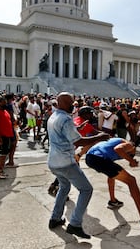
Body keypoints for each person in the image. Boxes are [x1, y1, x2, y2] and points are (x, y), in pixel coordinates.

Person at [47, 92, 109, 239]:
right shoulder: (66, 119)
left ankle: (55, 218)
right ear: (61, 103)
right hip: (65, 162)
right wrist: (99, 137)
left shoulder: (53, 116)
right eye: (69, 103)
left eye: (73, 103)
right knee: (86, 189)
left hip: (53, 162)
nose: (72, 106)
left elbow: (65, 135)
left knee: (64, 187)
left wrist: (78, 129)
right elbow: (78, 142)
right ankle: (75, 224)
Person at [85, 138, 140, 229]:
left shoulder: (112, 142)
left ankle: (113, 201)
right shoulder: (130, 145)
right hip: (99, 158)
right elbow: (118, 149)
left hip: (90, 158)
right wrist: (131, 161)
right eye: (132, 154)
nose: (131, 155)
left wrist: (130, 159)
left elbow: (111, 174)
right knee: (132, 181)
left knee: (112, 174)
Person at [0, 96, 15, 179]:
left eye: (5, 101)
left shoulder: (5, 111)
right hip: (3, 136)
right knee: (3, 154)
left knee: (5, 154)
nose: (5, 103)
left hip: (8, 135)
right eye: (3, 102)